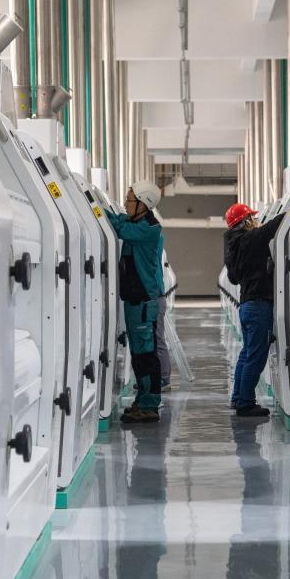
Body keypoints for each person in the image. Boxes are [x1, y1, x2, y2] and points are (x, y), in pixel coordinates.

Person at [107, 181, 166, 423]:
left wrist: (97, 209)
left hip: (143, 302)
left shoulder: (149, 228)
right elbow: (121, 220)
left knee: (145, 355)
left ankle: (150, 405)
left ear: (143, 203)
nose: (125, 204)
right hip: (134, 300)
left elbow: (120, 227)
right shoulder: (139, 223)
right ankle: (142, 400)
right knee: (139, 353)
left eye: (129, 200)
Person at [223, 203, 285, 417]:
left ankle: (238, 397)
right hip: (258, 305)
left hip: (247, 305)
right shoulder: (249, 240)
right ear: (245, 221)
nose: (255, 221)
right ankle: (246, 404)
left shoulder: (234, 245)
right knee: (256, 357)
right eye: (252, 218)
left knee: (247, 353)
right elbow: (272, 227)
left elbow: (233, 278)